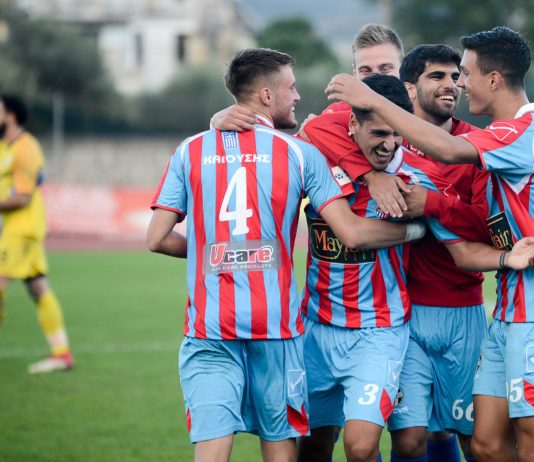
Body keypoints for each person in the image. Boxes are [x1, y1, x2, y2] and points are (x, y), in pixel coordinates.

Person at [146, 48, 424, 462]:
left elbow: (157, 239)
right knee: (282, 445)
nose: (297, 97)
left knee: (213, 445)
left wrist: (216, 253)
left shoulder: (190, 149)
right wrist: (417, 229)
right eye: (291, 88)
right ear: (266, 95)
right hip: (277, 328)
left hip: (210, 325)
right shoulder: (299, 152)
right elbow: (351, 232)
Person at [325, 26, 534, 462]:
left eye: (463, 74)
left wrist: (370, 98)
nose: (459, 84)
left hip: (499, 312)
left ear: (494, 79)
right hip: (488, 310)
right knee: (481, 445)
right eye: (442, 76)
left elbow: (451, 158)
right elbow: (313, 129)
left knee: (513, 436)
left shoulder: (514, 134)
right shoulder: (488, 138)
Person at [0, 95, 73, 374]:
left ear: (10, 115)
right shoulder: (3, 147)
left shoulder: (26, 147)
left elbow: (22, 197)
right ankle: (61, 354)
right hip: (14, 229)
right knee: (38, 287)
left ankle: (61, 354)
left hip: (23, 229)